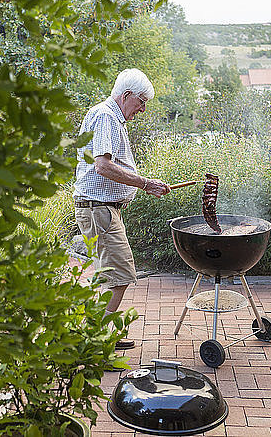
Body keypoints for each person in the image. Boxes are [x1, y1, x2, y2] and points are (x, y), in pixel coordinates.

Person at [73, 68, 171, 351]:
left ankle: (94, 336)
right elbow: (102, 165)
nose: (142, 109)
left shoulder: (111, 118)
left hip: (104, 209)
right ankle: (93, 343)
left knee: (113, 274)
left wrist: (144, 185)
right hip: (99, 209)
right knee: (121, 274)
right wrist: (143, 183)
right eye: (141, 102)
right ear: (126, 95)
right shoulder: (105, 116)